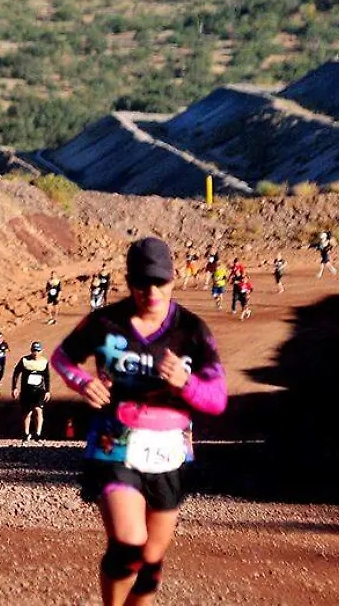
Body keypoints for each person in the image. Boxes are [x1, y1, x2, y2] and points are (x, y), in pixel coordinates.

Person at [52, 237, 226, 606]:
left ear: (174, 279)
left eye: (160, 282)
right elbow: (63, 357)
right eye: (142, 282)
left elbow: (216, 400)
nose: (151, 291)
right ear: (128, 280)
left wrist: (186, 384)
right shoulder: (104, 323)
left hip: (171, 452)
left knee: (150, 564)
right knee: (129, 545)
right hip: (114, 445)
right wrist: (83, 383)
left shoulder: (193, 331)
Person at [12, 342, 50, 441]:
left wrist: (47, 391)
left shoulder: (44, 362)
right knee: (27, 413)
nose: (35, 353)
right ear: (31, 351)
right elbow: (16, 373)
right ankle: (26, 433)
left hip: (39, 390)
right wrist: (14, 387)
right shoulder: (24, 361)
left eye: (38, 351)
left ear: (41, 351)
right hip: (26, 391)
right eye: (34, 350)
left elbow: (47, 377)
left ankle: (38, 433)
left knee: (38, 410)